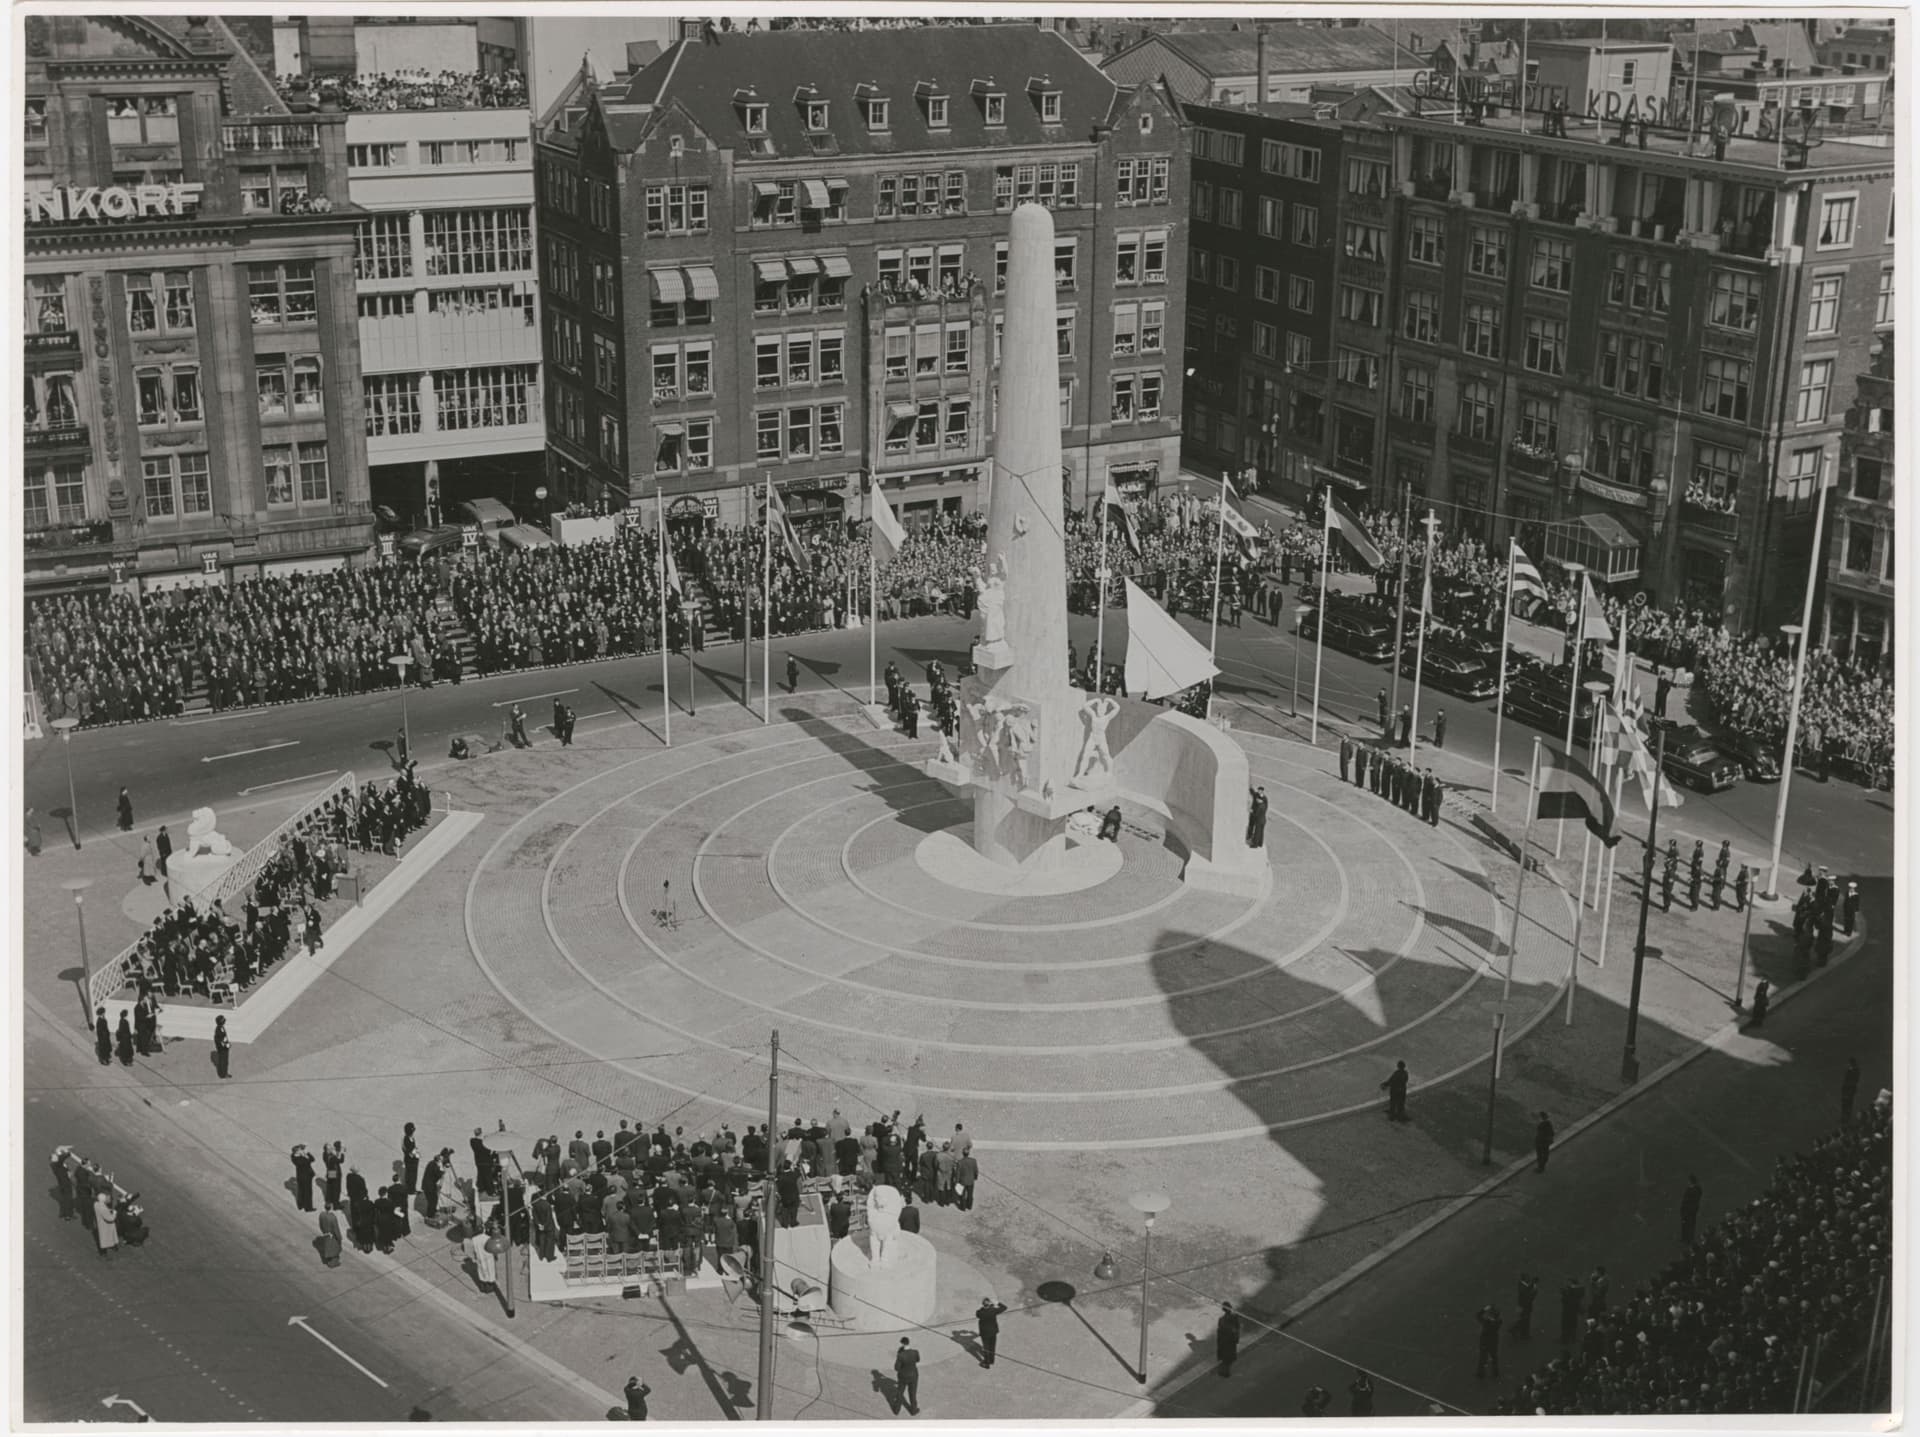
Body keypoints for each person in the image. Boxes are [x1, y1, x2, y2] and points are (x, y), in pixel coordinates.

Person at [975, 1297, 1008, 1368]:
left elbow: (977, 1313)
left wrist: (983, 1307)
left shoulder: (980, 1312)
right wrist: (997, 1303)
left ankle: (986, 1363)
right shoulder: (993, 1310)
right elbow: (1004, 1307)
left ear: (983, 1305)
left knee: (986, 1348)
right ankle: (992, 1360)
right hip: (993, 1331)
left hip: (985, 1333)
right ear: (989, 1304)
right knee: (992, 1346)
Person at [894, 1336, 921, 1415]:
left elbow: (896, 1368)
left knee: (900, 1392)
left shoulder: (900, 1355)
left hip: (903, 1376)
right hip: (913, 1375)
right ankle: (913, 1410)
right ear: (909, 1342)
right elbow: (918, 1360)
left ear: (902, 1344)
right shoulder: (915, 1352)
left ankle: (896, 1410)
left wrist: (899, 1355)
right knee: (912, 1393)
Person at [1215, 1301, 1242, 1377]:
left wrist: (1219, 1343)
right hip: (1230, 1341)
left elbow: (1219, 1332)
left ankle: (1224, 1370)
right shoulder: (1234, 1317)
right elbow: (1237, 1328)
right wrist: (1236, 1338)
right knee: (1229, 1357)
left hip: (1224, 1341)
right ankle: (1225, 1371)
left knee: (1226, 1357)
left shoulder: (1221, 1320)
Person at [1475, 1301, 1502, 1378]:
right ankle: (1495, 1373)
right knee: (1494, 1357)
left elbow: (1478, 1315)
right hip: (1494, 1341)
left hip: (1484, 1341)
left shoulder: (1486, 1322)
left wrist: (1484, 1309)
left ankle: (1480, 1373)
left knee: (1483, 1358)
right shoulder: (1499, 1322)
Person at [1558, 1274, 1584, 1345]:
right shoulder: (1580, 1289)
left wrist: (1563, 1294)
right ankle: (1573, 1338)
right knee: (1573, 1323)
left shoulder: (1568, 1290)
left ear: (1571, 1282)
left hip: (1567, 1309)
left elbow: (1564, 1299)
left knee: (1565, 1324)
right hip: (1574, 1310)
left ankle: (1564, 1339)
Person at [1512, 1272, 1538, 1339]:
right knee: (1524, 1320)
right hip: (1524, 1306)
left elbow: (1527, 1288)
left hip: (1523, 1306)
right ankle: (1521, 1333)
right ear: (1525, 1279)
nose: (1529, 1279)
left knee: (1524, 1320)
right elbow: (1528, 1296)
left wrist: (1533, 1284)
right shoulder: (1522, 1286)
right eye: (1528, 1278)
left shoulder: (1522, 1284)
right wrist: (1534, 1292)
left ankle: (1522, 1333)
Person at [1679, 1173, 1703, 1246]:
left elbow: (1687, 1201)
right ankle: (1687, 1238)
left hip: (1688, 1210)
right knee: (1690, 1224)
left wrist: (1684, 1209)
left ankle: (1687, 1239)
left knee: (1687, 1224)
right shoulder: (1698, 1189)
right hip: (1692, 1210)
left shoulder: (1691, 1190)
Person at [291, 1144, 317, 1212]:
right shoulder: (297, 1158)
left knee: (301, 1191)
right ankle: (308, 1207)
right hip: (305, 1177)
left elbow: (312, 1159)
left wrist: (306, 1153)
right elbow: (309, 1161)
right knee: (307, 1192)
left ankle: (301, 1205)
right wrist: (305, 1155)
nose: (302, 1150)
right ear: (297, 1151)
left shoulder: (296, 1156)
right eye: (300, 1150)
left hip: (301, 1177)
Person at [1840, 1057, 1861, 1122]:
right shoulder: (1854, 1070)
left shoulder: (1853, 1071)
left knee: (1847, 1103)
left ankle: (1845, 1117)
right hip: (1849, 1089)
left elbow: (1850, 1081)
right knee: (1846, 1103)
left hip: (1849, 1089)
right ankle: (1845, 1116)